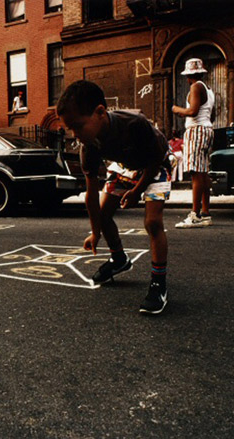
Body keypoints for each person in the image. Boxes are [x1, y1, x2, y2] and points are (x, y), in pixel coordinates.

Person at [57, 80, 171, 315]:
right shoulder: (88, 145)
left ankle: (159, 283)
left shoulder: (135, 124)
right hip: (125, 166)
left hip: (154, 163)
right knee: (103, 214)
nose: (76, 135)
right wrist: (95, 232)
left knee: (152, 222)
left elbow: (154, 163)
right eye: (71, 130)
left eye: (78, 126)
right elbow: (91, 193)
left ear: (100, 112)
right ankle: (119, 259)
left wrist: (136, 192)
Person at [172, 58, 215, 228]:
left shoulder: (195, 87)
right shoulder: (209, 89)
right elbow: (209, 115)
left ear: (189, 75)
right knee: (203, 172)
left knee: (196, 172)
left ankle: (195, 214)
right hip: (206, 129)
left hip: (196, 130)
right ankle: (205, 212)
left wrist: (177, 110)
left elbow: (192, 111)